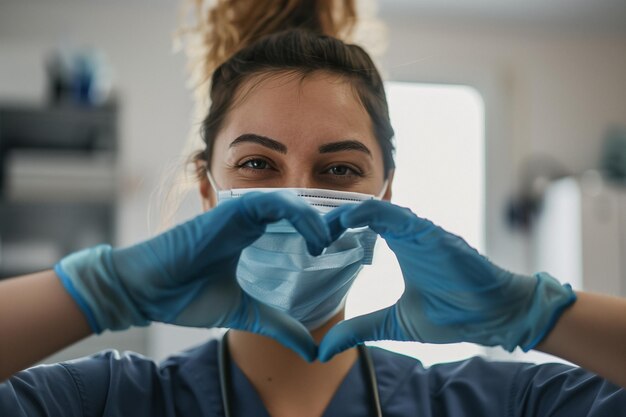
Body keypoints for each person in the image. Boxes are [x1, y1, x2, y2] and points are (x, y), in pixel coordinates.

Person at [1, 1, 626, 416]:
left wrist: (532, 312)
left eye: (339, 171)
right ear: (205, 187)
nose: (297, 199)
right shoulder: (109, 400)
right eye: (257, 165)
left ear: (386, 196)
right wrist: (100, 290)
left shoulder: (494, 402)